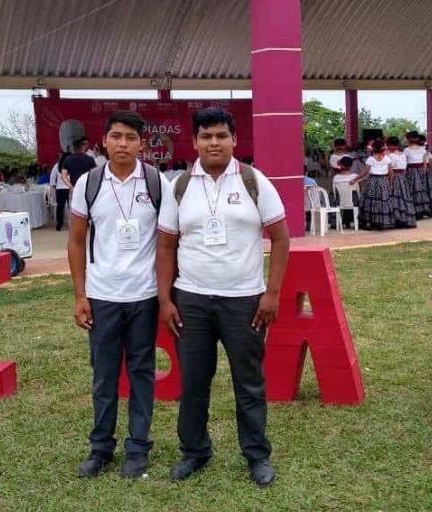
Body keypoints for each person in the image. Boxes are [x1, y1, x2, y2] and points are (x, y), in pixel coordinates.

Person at [156, 107, 290, 487]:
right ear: (194, 141)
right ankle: (194, 452)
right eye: (205, 136)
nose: (213, 142)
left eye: (220, 136)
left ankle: (256, 455)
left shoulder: (254, 181)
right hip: (191, 300)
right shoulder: (179, 186)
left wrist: (272, 293)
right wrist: (165, 299)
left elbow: (281, 239)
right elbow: (166, 247)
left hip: (244, 300)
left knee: (248, 382)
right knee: (194, 382)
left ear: (234, 140)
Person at [68, 111, 164, 479]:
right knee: (104, 375)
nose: (122, 143)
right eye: (115, 136)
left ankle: (138, 448)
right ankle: (101, 448)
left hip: (144, 295)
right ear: (103, 141)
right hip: (103, 294)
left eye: (130, 137)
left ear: (142, 144)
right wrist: (80, 294)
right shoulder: (88, 184)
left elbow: (170, 240)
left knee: (141, 371)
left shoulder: (157, 183)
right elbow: (76, 241)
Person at [353, 138, 394, 230]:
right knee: (383, 201)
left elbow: (365, 172)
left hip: (372, 181)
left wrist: (355, 179)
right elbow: (391, 172)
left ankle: (370, 222)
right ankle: (382, 222)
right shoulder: (387, 159)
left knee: (370, 201)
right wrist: (390, 183)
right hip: (384, 181)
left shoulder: (370, 159)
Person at [402, 131, 432, 219]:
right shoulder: (422, 149)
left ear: (408, 139)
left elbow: (404, 163)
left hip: (411, 171)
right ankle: (424, 209)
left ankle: (415, 210)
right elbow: (425, 162)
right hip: (421, 170)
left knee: (412, 190)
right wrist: (425, 171)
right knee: (422, 190)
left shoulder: (406, 150)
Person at [385, 136, 416, 228]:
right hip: (402, 177)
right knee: (403, 197)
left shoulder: (388, 156)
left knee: (394, 197)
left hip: (394, 177)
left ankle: (396, 219)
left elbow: (389, 169)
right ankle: (404, 219)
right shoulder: (402, 154)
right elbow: (404, 168)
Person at [331, 156, 360, 228]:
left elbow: (334, 192)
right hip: (353, 203)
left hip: (340, 202)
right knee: (354, 198)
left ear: (340, 165)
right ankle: (352, 221)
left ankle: (343, 221)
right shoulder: (355, 176)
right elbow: (358, 191)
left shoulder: (336, 177)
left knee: (341, 199)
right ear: (351, 165)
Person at [52, 151, 71, 231]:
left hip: (60, 189)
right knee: (71, 207)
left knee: (60, 207)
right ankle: (71, 224)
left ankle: (59, 224)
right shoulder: (68, 165)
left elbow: (52, 178)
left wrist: (53, 186)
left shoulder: (57, 166)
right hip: (69, 188)